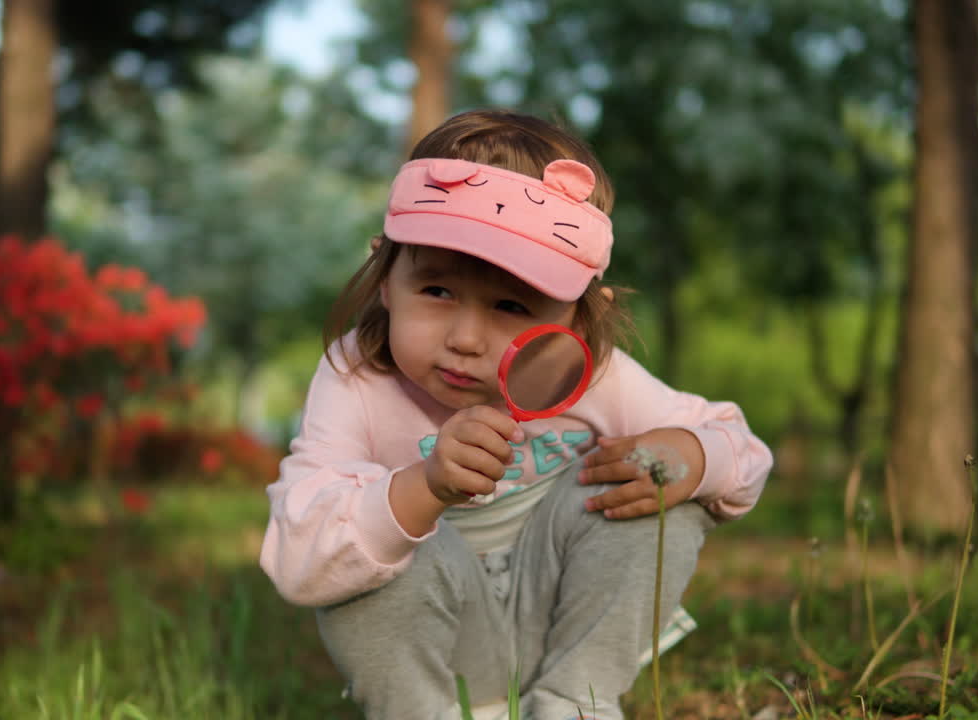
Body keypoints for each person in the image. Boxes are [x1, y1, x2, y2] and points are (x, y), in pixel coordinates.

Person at [260, 109, 772, 720]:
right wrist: (421, 488)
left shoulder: (588, 376)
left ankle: (575, 704)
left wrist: (692, 458)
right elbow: (301, 556)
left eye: (511, 304)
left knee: (658, 487)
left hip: (560, 625)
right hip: (441, 658)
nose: (467, 339)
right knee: (367, 539)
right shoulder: (359, 378)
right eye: (438, 291)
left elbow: (741, 449)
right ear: (384, 278)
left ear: (580, 318)